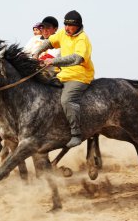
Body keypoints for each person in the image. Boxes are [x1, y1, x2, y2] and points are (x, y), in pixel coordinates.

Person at [33, 10, 95, 148]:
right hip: (62, 74)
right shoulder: (63, 33)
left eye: (70, 26)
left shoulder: (83, 39)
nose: (67, 28)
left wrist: (54, 61)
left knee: (67, 100)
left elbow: (77, 58)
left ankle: (76, 134)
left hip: (80, 76)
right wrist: (37, 51)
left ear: (78, 26)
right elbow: (49, 42)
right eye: (65, 25)